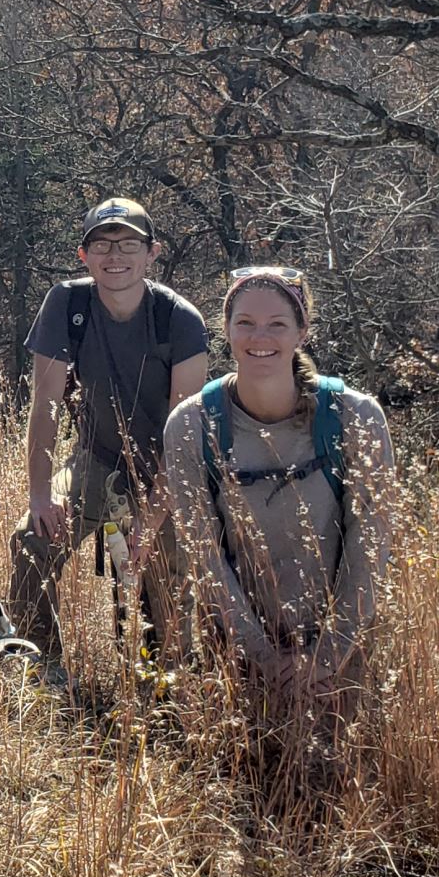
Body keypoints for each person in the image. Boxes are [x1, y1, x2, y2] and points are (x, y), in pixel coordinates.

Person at [162, 267, 392, 731]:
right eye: (244, 322)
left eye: (277, 324)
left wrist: (328, 654)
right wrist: (262, 656)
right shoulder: (191, 425)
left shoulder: (355, 416)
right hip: (235, 647)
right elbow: (203, 553)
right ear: (224, 330)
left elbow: (372, 544)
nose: (258, 337)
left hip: (342, 649)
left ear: (303, 331)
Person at [9, 197, 211, 669]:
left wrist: (153, 516)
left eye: (128, 244)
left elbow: (183, 436)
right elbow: (46, 406)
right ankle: (42, 669)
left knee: (165, 582)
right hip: (94, 461)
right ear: (84, 255)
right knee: (31, 540)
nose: (114, 256)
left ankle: (166, 687)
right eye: (101, 244)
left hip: (164, 472)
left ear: (152, 252)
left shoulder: (179, 320)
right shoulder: (68, 303)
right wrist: (41, 495)